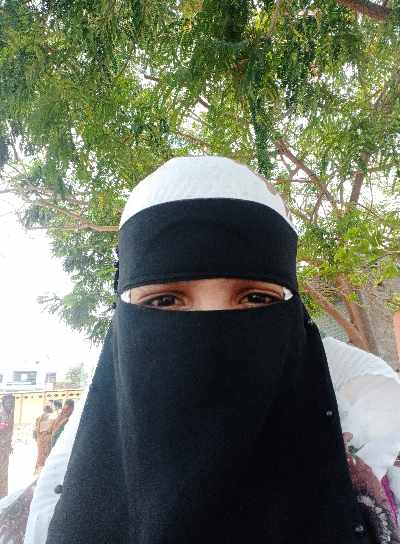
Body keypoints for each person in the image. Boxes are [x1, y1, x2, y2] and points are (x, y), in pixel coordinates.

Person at [1, 157, 400, 543]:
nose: (212, 336)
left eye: (256, 299)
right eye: (165, 301)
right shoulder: (40, 514)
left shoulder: (370, 493)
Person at [33, 405, 54, 475]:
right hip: (43, 439)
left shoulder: (50, 420)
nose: (46, 413)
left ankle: (40, 472)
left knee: (43, 456)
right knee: (42, 456)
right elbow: (36, 430)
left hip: (44, 440)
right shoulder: (41, 419)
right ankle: (40, 472)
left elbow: (36, 430)